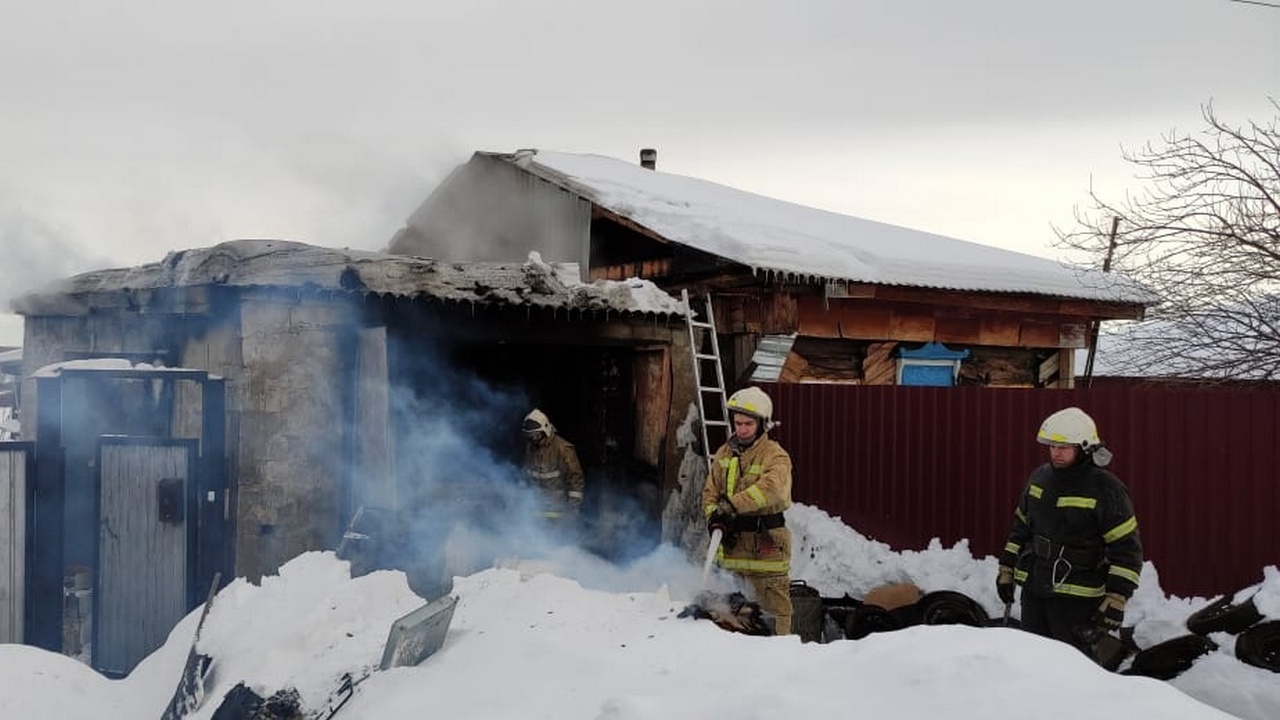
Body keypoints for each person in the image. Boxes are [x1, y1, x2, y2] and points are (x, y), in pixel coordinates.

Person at [997, 407, 1143, 656]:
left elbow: (1127, 549)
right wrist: (1007, 569)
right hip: (1035, 589)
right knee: (1031, 659)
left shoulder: (1106, 489)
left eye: (1063, 447)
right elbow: (1021, 527)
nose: (1056, 453)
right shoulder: (1040, 478)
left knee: (1072, 669)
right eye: (1053, 446)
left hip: (1079, 598)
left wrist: (1117, 597)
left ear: (1084, 448)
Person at [701, 386, 795, 635]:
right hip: (731, 551)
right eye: (737, 423)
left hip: (766, 551)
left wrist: (731, 506)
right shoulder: (724, 453)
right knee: (729, 621)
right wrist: (715, 518)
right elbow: (709, 493)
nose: (741, 429)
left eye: (748, 424)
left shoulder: (775, 456)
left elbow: (770, 489)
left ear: (762, 424)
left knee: (771, 620)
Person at [522, 408, 586, 523]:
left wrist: (573, 509)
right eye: (529, 436)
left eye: (534, 435)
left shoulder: (563, 449)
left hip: (559, 512)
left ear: (544, 430)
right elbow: (526, 475)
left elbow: (576, 480)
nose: (531, 439)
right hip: (535, 509)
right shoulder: (530, 447)